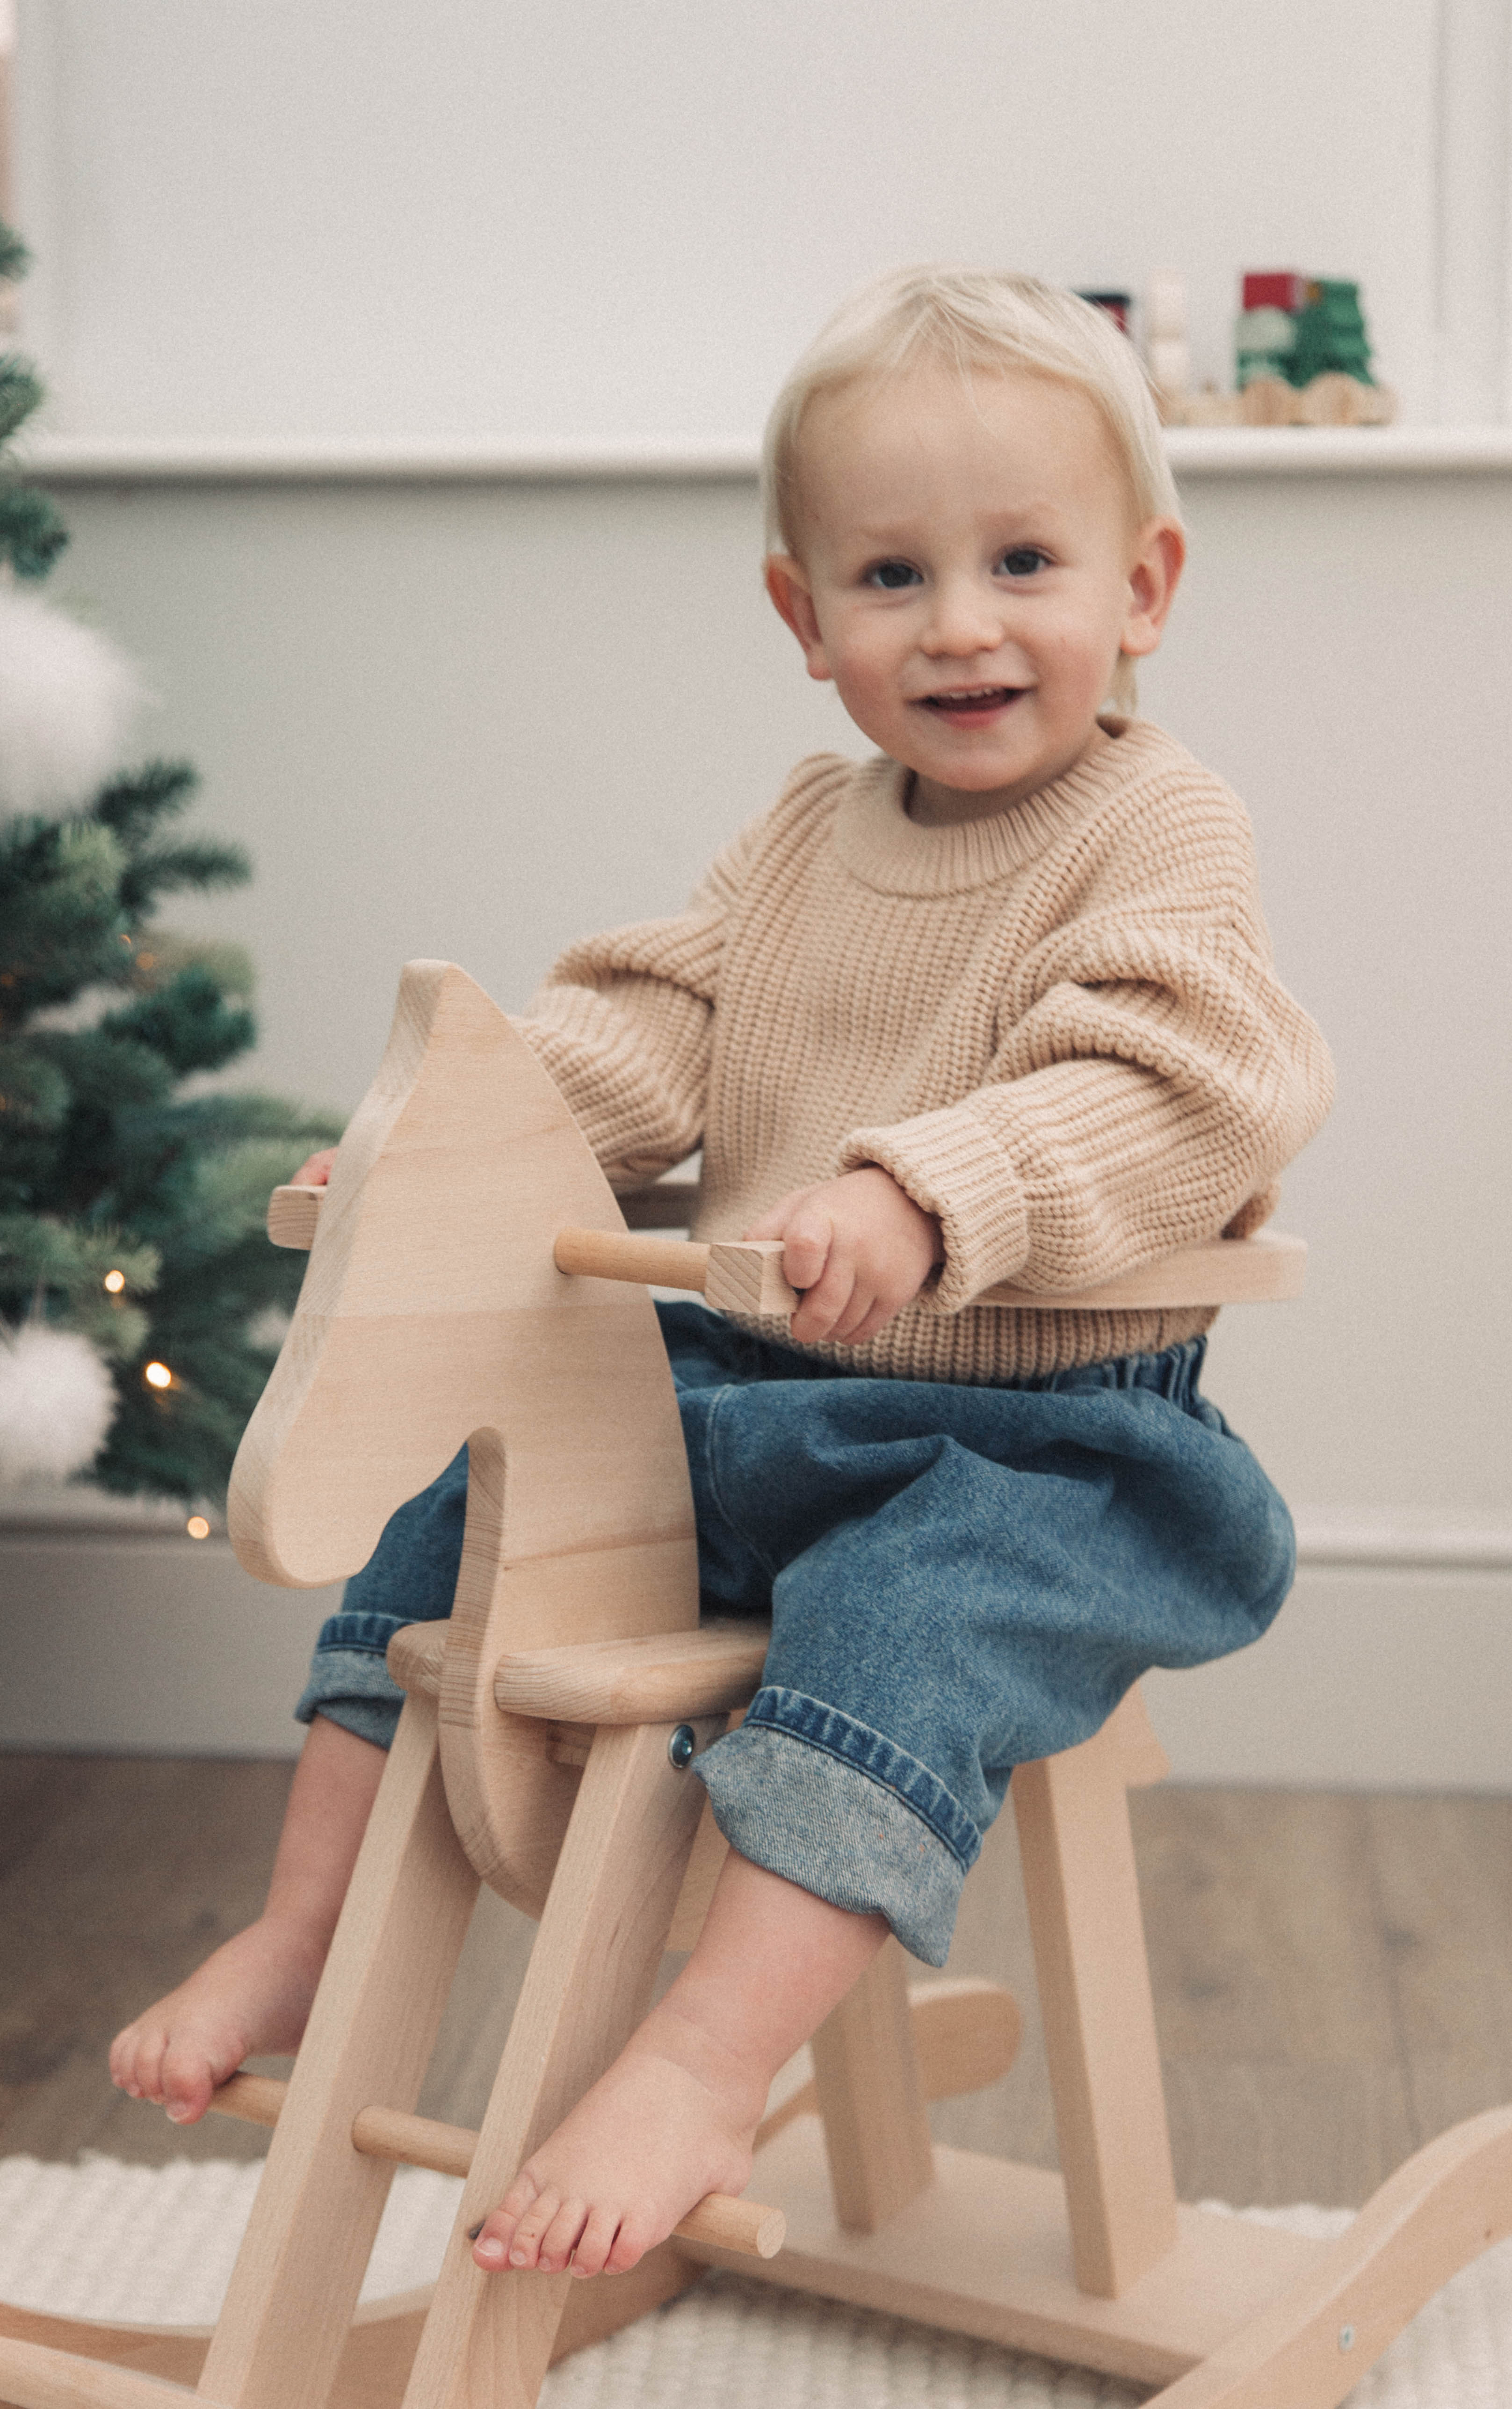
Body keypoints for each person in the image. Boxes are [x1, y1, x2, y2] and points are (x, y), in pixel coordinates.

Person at [111, 266, 1334, 2284]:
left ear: (1142, 585)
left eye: (1023, 559)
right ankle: (302, 1929)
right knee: (472, 1496)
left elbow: (1177, 1080)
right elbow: (657, 1030)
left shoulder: (1162, 833)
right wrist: (464, 1150)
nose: (958, 622)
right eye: (890, 575)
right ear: (805, 619)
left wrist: (925, 1191)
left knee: (902, 1611)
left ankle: (696, 2051)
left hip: (1045, 1450)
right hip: (762, 1385)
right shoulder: (799, 836)